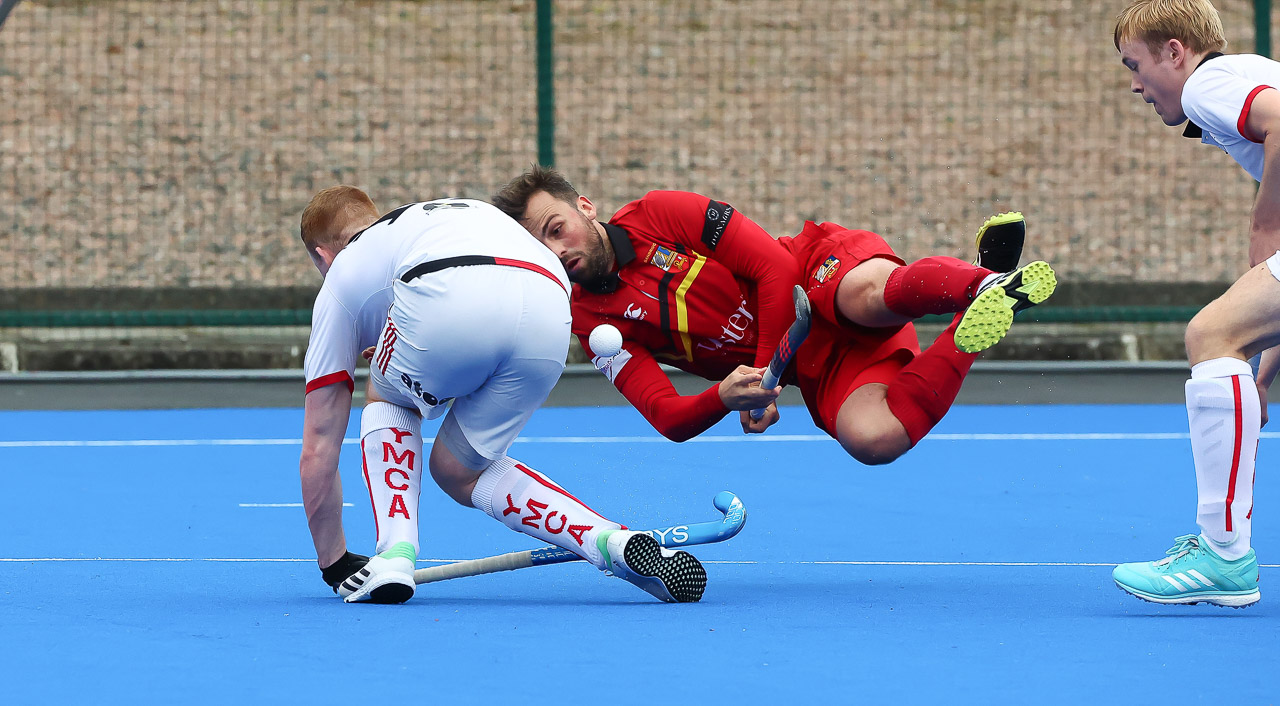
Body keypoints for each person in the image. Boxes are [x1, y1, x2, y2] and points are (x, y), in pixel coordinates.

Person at [297, 186, 707, 604]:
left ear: (322, 256)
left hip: (448, 290)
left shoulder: (342, 273)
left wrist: (335, 563)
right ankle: (607, 540)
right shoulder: (426, 221)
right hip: (550, 306)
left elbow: (319, 444)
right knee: (460, 469)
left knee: (388, 398)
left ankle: (395, 555)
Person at [492, 166, 1055, 466]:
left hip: (813, 276)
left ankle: (984, 282)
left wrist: (764, 375)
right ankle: (978, 317)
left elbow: (771, 269)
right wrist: (726, 398)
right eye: (539, 248)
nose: (557, 250)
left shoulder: (660, 213)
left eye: (556, 228)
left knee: (867, 296)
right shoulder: (592, 327)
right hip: (814, 362)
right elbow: (667, 416)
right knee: (875, 440)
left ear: (583, 208)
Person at [1110, 0, 1268, 607]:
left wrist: (1266, 225)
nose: (1135, 86)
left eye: (1136, 64)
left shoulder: (1208, 85)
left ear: (1176, 52)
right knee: (1229, 337)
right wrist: (1264, 374)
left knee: (1209, 335)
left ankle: (1224, 555)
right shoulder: (1246, 75)